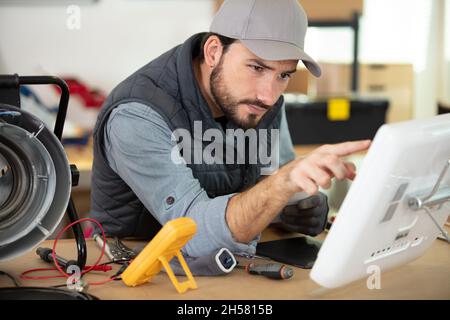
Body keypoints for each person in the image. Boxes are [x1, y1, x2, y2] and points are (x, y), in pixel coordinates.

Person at [90, 0, 370, 258]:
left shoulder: (260, 102)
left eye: (283, 75)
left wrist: (297, 205)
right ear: (213, 52)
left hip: (230, 262)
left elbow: (273, 182)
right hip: (133, 269)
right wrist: (281, 185)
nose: (269, 96)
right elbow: (191, 233)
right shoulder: (137, 115)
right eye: (256, 68)